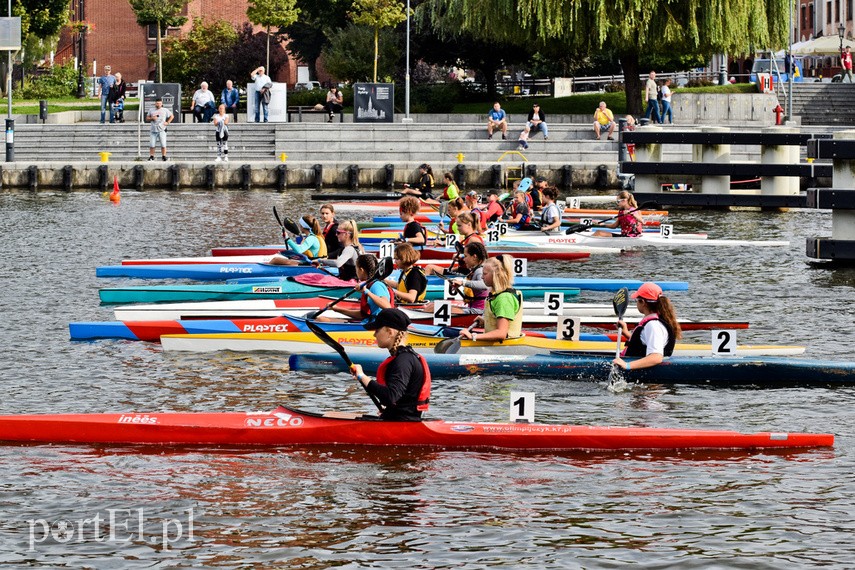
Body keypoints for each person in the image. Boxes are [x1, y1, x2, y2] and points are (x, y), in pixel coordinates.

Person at [351, 308, 431, 421]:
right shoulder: (404, 357)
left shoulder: (403, 361)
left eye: (377, 330)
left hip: (403, 424)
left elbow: (390, 396)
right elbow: (395, 399)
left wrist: (362, 376)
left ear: (390, 332)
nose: (374, 335)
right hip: (399, 419)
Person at [612, 282, 682, 371]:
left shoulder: (653, 325)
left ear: (643, 302)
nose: (636, 302)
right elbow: (645, 343)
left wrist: (627, 365)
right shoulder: (656, 320)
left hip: (644, 372)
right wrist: (626, 333)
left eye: (637, 300)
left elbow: (656, 357)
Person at [457, 255, 523, 342]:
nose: (482, 277)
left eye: (485, 274)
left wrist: (473, 337)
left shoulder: (504, 299)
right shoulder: (497, 294)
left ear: (496, 275)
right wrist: (486, 320)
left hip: (505, 347)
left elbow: (501, 333)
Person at [421, 241, 489, 316]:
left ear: (474, 257)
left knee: (433, 308)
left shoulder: (480, 270)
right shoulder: (475, 269)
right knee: (432, 306)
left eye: (466, 256)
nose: (464, 259)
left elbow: (484, 285)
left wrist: (462, 282)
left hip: (478, 311)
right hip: (472, 308)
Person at [330, 254, 393, 322]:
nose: (356, 271)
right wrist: (337, 309)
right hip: (368, 322)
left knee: (322, 319)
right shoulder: (370, 284)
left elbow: (387, 306)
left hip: (375, 326)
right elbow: (363, 315)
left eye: (356, 268)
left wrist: (366, 291)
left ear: (361, 270)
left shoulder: (376, 285)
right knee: (321, 319)